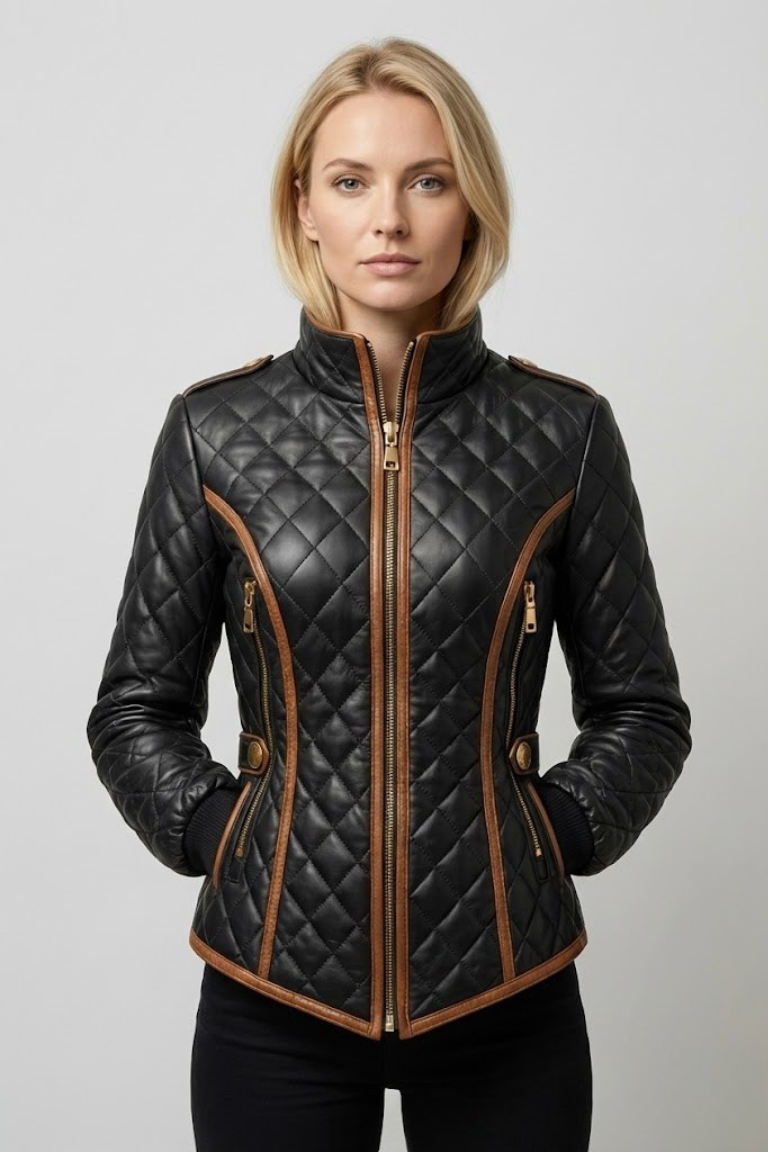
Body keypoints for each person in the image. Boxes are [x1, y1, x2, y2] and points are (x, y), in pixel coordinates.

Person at [86, 36, 693, 1152]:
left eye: (427, 180)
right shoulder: (214, 432)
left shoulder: (564, 433)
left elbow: (643, 710)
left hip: (506, 990)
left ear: (472, 205)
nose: (390, 220)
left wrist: (549, 832)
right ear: (305, 208)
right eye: (351, 181)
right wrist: (227, 835)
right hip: (272, 991)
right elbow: (134, 709)